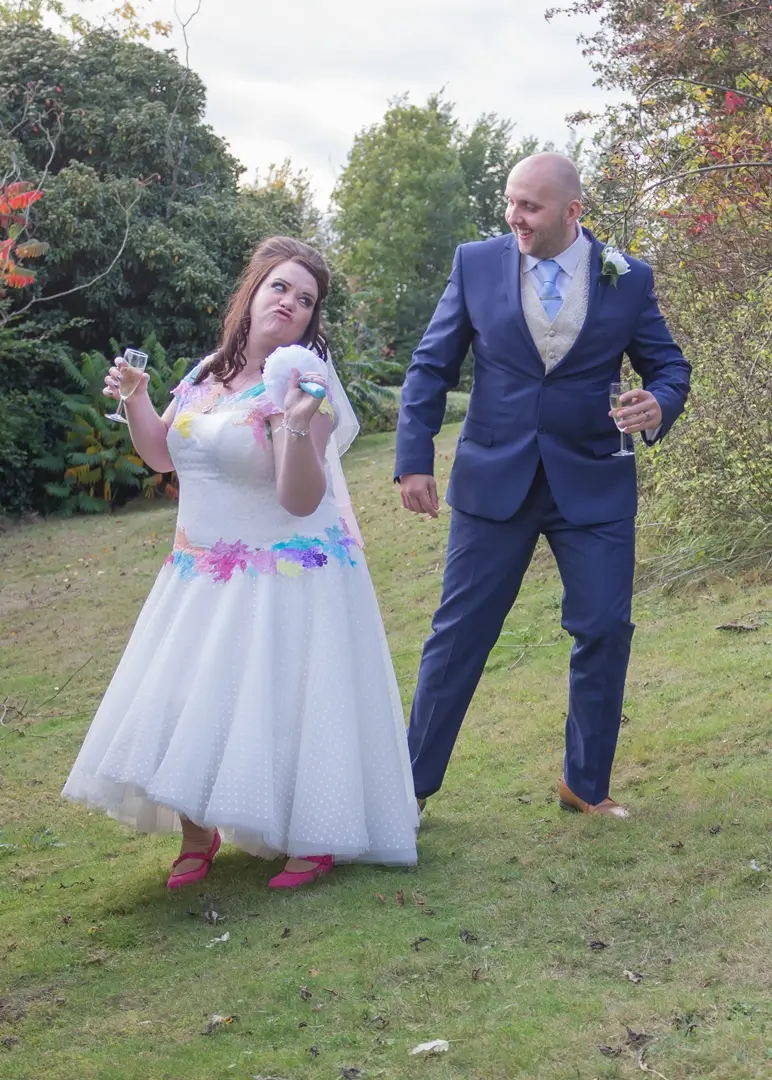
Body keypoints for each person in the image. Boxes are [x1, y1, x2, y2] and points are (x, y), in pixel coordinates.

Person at [63, 235, 418, 888]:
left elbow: (301, 496)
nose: (292, 302)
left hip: (282, 573)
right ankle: (198, 834)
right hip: (198, 573)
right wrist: (137, 397)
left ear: (313, 318)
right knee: (186, 701)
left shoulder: (303, 382)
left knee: (284, 709)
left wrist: (294, 419)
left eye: (306, 299)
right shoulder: (205, 372)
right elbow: (164, 454)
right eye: (281, 287)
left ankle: (316, 835)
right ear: (253, 292)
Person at [395, 152, 691, 819]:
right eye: (510, 202)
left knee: (606, 628)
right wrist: (414, 459)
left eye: (529, 206)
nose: (514, 217)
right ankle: (407, 790)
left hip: (594, 479)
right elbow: (428, 367)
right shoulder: (475, 263)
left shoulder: (627, 277)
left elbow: (669, 366)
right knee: (460, 633)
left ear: (573, 211)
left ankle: (584, 785)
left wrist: (659, 404)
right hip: (495, 477)